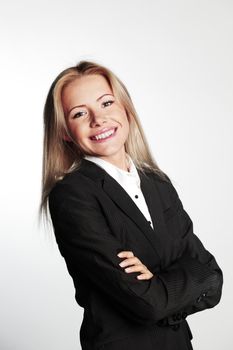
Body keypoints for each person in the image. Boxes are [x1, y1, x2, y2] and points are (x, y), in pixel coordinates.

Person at [40, 60, 223, 350]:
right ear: (65, 132)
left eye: (106, 103)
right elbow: (145, 303)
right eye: (79, 113)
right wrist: (180, 281)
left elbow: (213, 278)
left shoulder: (158, 182)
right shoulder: (72, 195)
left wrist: (159, 283)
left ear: (125, 108)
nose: (98, 119)